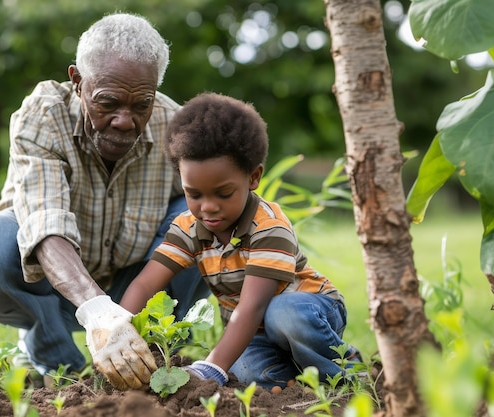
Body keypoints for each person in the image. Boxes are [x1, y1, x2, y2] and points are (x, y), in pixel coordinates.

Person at [0, 13, 209, 391]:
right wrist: (98, 312)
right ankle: (57, 362)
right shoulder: (44, 114)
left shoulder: (176, 128)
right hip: (48, 287)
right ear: (77, 82)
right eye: (108, 102)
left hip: (138, 285)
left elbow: (225, 218)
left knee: (201, 217)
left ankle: (153, 355)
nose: (124, 121)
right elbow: (45, 223)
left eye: (141, 104)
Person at [120, 92, 362, 389]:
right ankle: (297, 380)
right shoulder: (188, 227)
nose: (207, 207)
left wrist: (211, 367)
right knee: (249, 375)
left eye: (223, 193)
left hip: (307, 310)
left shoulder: (268, 227)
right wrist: (117, 330)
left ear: (253, 177)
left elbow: (252, 307)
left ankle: (343, 370)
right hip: (253, 331)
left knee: (281, 316)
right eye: (193, 194)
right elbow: (145, 284)